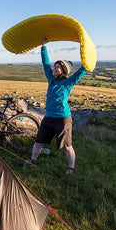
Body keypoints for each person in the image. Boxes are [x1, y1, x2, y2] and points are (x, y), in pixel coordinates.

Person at [26, 39, 88, 176]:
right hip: (48, 117)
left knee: (67, 146)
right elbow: (45, 63)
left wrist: (88, 60)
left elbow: (81, 72)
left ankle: (71, 169)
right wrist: (43, 47)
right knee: (37, 143)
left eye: (58, 67)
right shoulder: (51, 78)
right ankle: (32, 161)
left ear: (63, 70)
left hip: (62, 119)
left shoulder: (68, 82)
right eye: (54, 66)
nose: (54, 68)